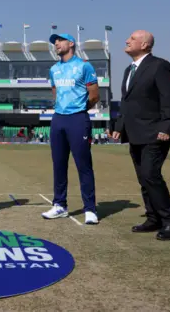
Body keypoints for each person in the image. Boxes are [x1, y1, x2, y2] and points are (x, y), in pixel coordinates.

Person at [112, 30, 170, 241]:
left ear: (144, 44)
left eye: (131, 39)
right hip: (134, 133)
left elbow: (169, 98)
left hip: (155, 132)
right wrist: (119, 126)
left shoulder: (160, 66)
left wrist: (166, 127)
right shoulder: (128, 70)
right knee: (144, 178)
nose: (126, 41)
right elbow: (127, 102)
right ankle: (153, 218)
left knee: (151, 174)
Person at [42, 33, 100, 224]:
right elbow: (55, 93)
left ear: (71, 43)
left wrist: (80, 111)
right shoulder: (53, 69)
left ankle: (90, 208)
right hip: (58, 119)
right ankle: (59, 205)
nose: (56, 44)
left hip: (78, 119)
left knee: (83, 165)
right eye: (54, 42)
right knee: (58, 164)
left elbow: (94, 95)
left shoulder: (84, 66)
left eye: (60, 40)